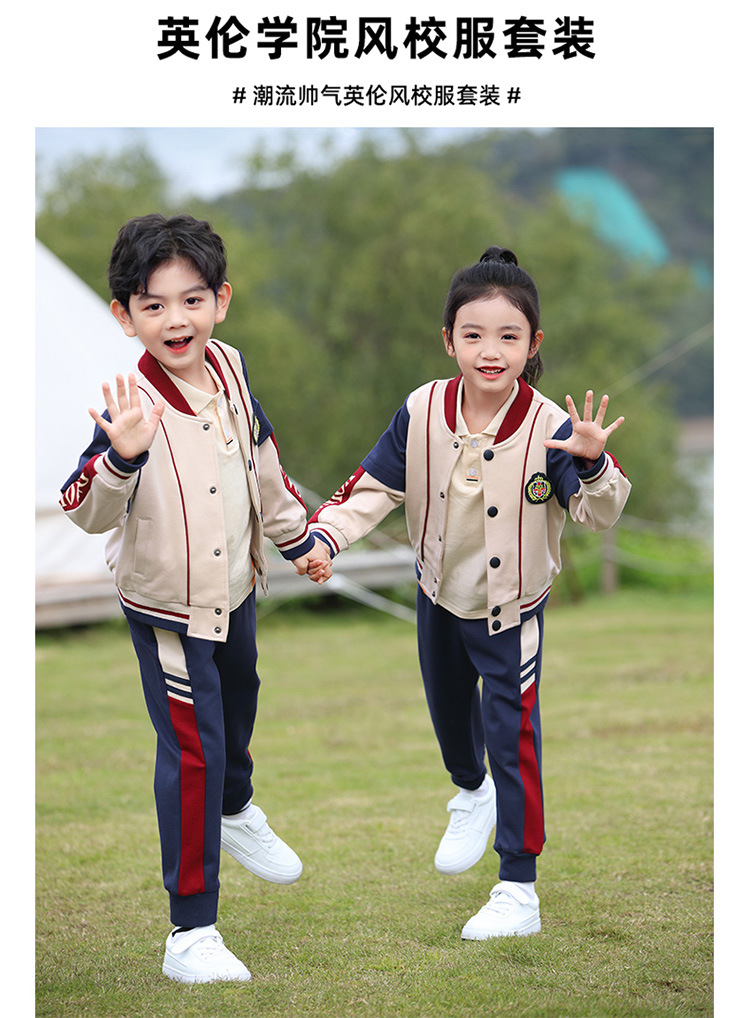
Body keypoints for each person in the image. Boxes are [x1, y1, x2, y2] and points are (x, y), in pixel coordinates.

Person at [309, 245, 631, 940]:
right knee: (452, 722)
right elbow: (372, 487)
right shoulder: (421, 408)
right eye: (474, 334)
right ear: (448, 339)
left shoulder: (552, 429)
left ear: (533, 344)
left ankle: (519, 888)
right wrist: (326, 537)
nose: (491, 351)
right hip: (438, 595)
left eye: (509, 336)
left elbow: (597, 513)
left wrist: (593, 462)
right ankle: (469, 791)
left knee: (512, 738)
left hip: (512, 609)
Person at [60, 213, 332, 983]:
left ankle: (236, 808)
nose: (175, 320)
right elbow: (83, 508)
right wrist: (121, 456)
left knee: (239, 709)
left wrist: (299, 539)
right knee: (192, 752)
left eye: (191, 300)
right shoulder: (131, 406)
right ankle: (191, 932)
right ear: (125, 316)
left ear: (221, 300)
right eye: (153, 305)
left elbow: (263, 462)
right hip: (168, 608)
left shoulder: (231, 368)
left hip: (235, 588)